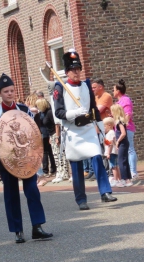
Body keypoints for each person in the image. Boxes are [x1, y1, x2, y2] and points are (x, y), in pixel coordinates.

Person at [0, 73, 53, 243]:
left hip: (26, 158)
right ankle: (18, 230)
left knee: (32, 191)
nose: (10, 94)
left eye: (12, 91)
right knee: (11, 194)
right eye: (6, 91)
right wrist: (4, 152)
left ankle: (37, 227)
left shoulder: (24, 110)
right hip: (6, 160)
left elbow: (33, 133)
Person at [54, 49, 117, 210]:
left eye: (78, 69)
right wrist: (75, 112)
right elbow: (58, 112)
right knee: (76, 167)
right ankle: (81, 199)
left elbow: (94, 108)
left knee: (97, 157)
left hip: (88, 129)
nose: (76, 72)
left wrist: (101, 130)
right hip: (73, 131)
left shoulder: (87, 85)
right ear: (67, 72)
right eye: (73, 70)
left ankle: (105, 192)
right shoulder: (60, 87)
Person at [113, 79, 138, 179]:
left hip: (127, 129)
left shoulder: (125, 100)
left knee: (130, 149)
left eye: (114, 90)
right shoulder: (119, 101)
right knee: (125, 151)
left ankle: (133, 172)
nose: (113, 92)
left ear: (118, 91)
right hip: (120, 129)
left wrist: (123, 125)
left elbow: (127, 115)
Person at [110, 104, 132, 187]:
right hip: (124, 142)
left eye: (112, 111)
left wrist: (118, 141)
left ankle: (124, 179)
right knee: (124, 160)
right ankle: (128, 179)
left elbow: (123, 133)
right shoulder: (121, 121)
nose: (111, 113)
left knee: (121, 161)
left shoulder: (119, 122)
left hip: (122, 143)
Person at [36, 98, 56, 177]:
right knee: (44, 152)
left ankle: (53, 169)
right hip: (43, 134)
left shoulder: (49, 112)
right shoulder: (40, 114)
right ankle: (45, 170)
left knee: (51, 152)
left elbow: (54, 124)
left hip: (49, 134)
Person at [103, 117, 124, 188]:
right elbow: (110, 142)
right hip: (113, 152)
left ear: (109, 125)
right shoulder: (111, 133)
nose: (104, 128)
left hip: (111, 152)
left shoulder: (110, 133)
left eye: (104, 126)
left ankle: (115, 180)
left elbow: (110, 144)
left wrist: (108, 153)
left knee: (113, 167)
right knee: (116, 166)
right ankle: (119, 180)